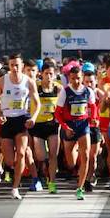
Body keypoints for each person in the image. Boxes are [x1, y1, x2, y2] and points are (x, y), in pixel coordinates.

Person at [0, 54, 41, 199]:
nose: (14, 68)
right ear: (9, 66)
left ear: (22, 66)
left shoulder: (29, 82)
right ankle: (16, 172)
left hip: (22, 119)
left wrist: (33, 117)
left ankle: (15, 187)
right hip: (7, 120)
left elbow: (38, 103)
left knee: (21, 153)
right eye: (12, 65)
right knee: (9, 160)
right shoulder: (2, 81)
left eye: (17, 65)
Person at [54, 65, 96, 201]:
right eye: (73, 79)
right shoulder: (65, 92)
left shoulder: (88, 91)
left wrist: (94, 118)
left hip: (83, 126)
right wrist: (65, 127)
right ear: (69, 78)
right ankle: (76, 164)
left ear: (82, 77)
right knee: (71, 162)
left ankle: (80, 188)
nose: (76, 81)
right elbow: (58, 113)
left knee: (86, 157)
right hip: (70, 127)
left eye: (78, 78)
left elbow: (93, 107)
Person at [30, 62, 61, 194]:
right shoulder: (36, 87)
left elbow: (63, 105)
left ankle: (52, 182)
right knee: (41, 156)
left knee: (54, 155)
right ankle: (43, 169)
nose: (48, 76)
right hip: (38, 125)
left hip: (52, 125)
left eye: (51, 74)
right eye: (46, 73)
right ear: (41, 74)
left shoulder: (58, 88)